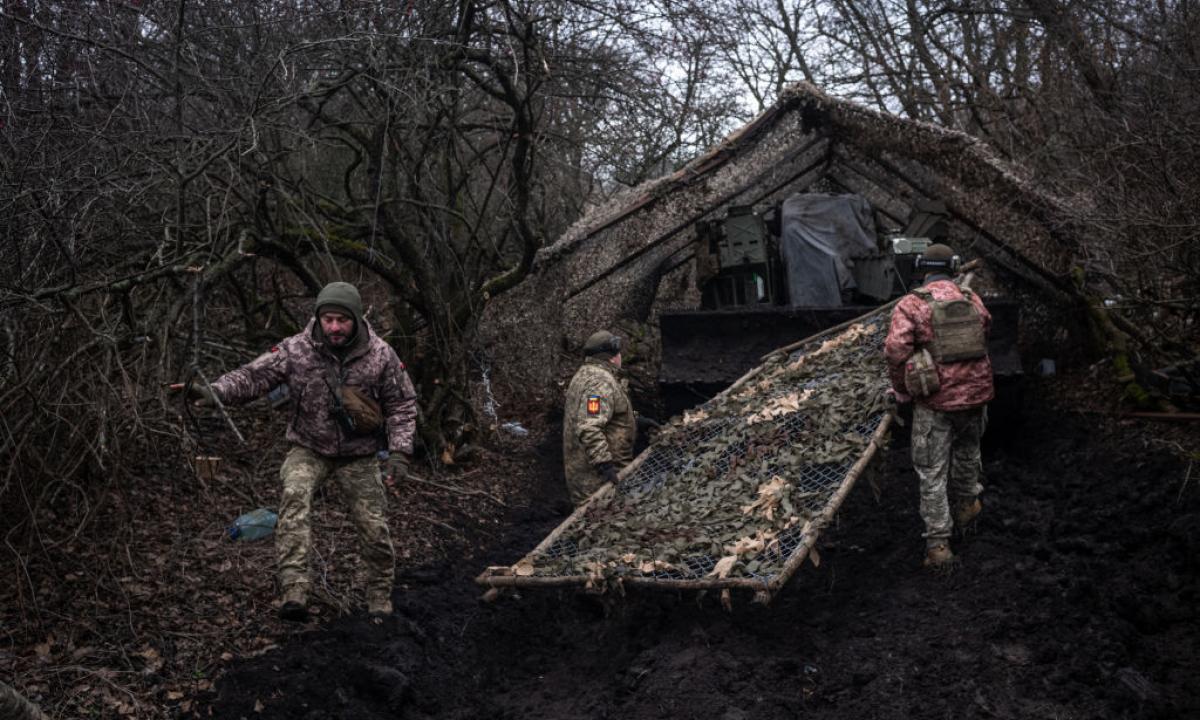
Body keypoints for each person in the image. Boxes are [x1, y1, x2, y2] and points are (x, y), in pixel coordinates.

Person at [171, 281, 417, 621]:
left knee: (373, 526)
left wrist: (400, 454)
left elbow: (403, 404)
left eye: (341, 320)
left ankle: (378, 595)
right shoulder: (296, 349)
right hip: (309, 447)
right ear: (318, 317)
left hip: (359, 454)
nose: (333, 327)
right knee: (294, 498)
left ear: (356, 320)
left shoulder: (380, 355)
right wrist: (213, 392)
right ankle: (295, 589)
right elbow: (253, 376)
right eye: (327, 319)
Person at [884, 244, 993, 569]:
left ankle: (938, 546)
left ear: (921, 266)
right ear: (954, 265)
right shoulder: (971, 298)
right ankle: (967, 507)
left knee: (931, 471)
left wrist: (902, 388)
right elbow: (985, 329)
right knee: (968, 453)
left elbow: (895, 351)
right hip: (975, 397)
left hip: (936, 401)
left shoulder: (912, 304)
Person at [561, 330, 644, 506]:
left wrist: (636, 420)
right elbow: (589, 426)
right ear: (612, 357)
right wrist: (605, 465)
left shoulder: (585, 374)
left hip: (588, 475)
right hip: (597, 480)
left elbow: (602, 413)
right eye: (619, 353)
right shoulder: (599, 382)